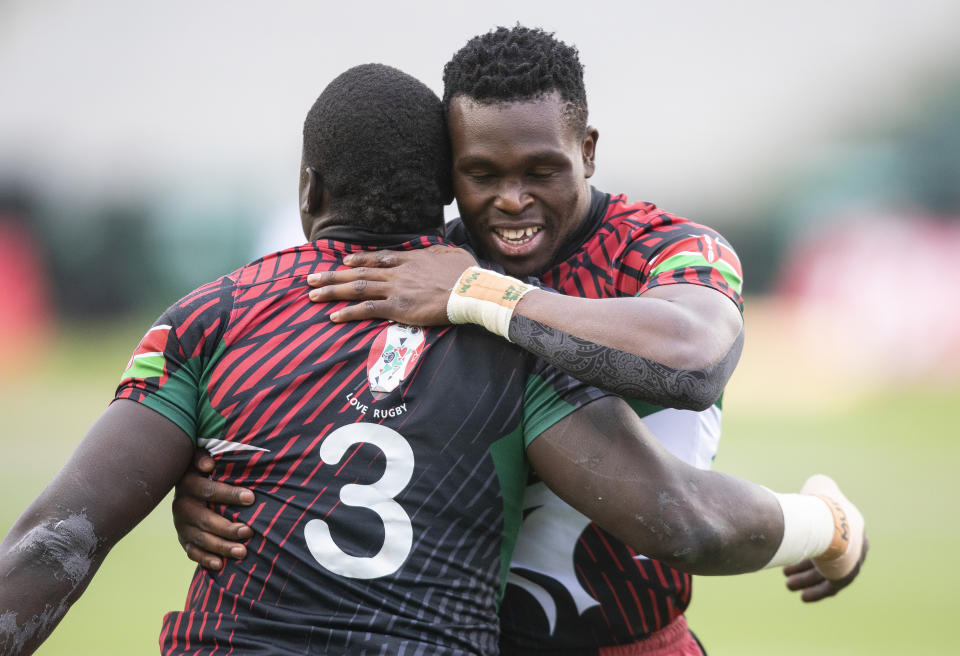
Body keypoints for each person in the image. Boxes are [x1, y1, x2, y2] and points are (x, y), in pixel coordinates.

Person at [0, 63, 865, 656]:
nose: (512, 200)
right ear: (448, 182)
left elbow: (696, 357)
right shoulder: (432, 284)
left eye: (540, 169)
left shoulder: (641, 256)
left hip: (623, 637)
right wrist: (202, 471)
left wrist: (487, 298)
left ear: (589, 151)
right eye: (483, 174)